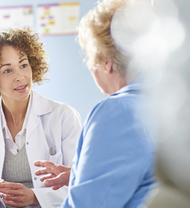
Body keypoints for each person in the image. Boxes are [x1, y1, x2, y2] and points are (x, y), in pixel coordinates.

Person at [34, 0, 156, 207]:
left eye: (90, 58)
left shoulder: (118, 111)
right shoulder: (167, 105)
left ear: (107, 64)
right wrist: (79, 176)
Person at [0, 28, 82, 208]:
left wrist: (35, 197)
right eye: (7, 71)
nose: (20, 77)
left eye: (23, 65)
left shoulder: (64, 116)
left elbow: (80, 183)